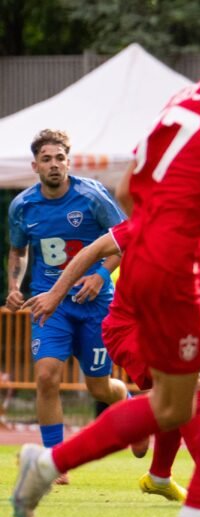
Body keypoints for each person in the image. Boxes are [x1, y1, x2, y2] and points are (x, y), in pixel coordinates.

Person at [11, 0, 200, 517]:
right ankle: (46, 465)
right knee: (172, 405)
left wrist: (162, 222)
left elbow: (126, 186)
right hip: (175, 261)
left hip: (175, 254)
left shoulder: (185, 95)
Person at [24, 219, 200, 505]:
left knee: (175, 399)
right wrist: (56, 293)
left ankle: (159, 477)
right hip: (129, 326)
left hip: (171, 328)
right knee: (187, 387)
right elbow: (93, 249)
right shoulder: (158, 217)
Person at [5, 129, 129, 473]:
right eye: (47, 159)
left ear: (68, 162)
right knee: (46, 376)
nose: (55, 165)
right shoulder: (23, 205)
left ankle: (128, 404)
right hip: (50, 303)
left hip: (95, 303)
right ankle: (53, 461)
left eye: (60, 158)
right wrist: (14, 285)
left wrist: (101, 275)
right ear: (35, 166)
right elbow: (18, 250)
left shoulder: (93, 196)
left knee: (99, 387)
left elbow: (125, 241)